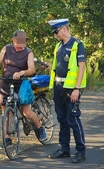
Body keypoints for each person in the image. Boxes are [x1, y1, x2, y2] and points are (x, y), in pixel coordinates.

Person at [0, 30, 47, 148]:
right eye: (20, 40)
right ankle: (7, 138)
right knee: (6, 111)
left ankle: (39, 128)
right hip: (6, 82)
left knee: (27, 112)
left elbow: (32, 69)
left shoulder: (28, 52)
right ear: (14, 40)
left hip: (21, 84)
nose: (22, 42)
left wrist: (21, 72)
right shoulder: (6, 49)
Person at [44, 19, 87, 163]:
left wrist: (77, 89)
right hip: (58, 87)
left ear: (63, 29)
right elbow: (59, 67)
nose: (55, 35)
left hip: (71, 89)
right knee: (62, 120)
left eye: (56, 32)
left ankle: (81, 151)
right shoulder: (58, 46)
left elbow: (81, 67)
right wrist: (49, 67)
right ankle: (64, 149)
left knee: (73, 119)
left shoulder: (77, 44)